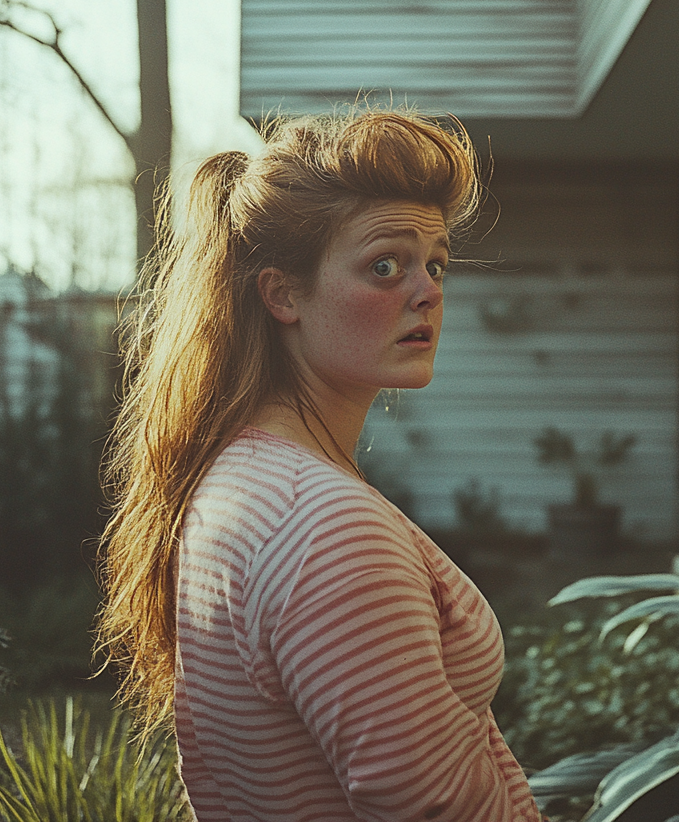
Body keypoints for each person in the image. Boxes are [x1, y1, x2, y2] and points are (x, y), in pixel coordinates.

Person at [96, 109, 543, 822]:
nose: (427, 290)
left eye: (437, 263)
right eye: (385, 264)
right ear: (281, 294)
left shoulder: (238, 478)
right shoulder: (326, 530)